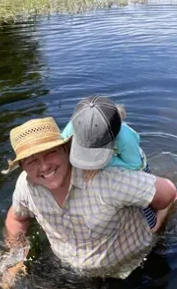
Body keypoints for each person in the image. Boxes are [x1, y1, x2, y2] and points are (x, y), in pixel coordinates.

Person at [1, 116, 177, 289]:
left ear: (66, 150)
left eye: (50, 153)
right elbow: (17, 218)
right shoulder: (26, 184)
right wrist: (15, 256)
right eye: (32, 160)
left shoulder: (106, 178)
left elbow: (169, 193)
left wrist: (158, 222)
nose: (44, 166)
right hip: (69, 266)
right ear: (23, 166)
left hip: (131, 266)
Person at [60, 96, 159, 230]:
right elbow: (63, 146)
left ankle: (160, 212)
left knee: (144, 208)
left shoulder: (126, 137)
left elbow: (135, 165)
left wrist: (103, 164)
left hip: (131, 163)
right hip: (108, 160)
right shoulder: (76, 125)